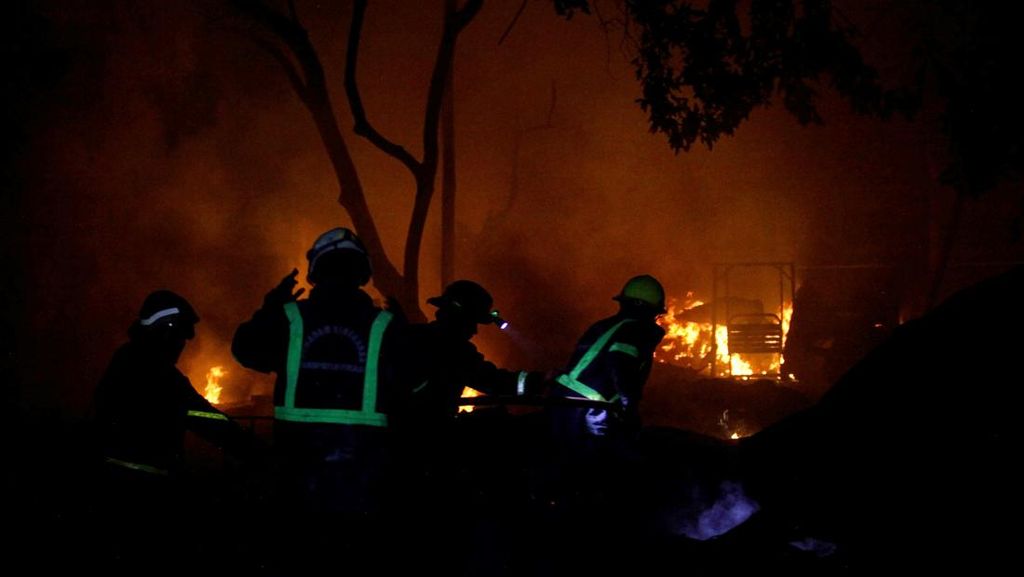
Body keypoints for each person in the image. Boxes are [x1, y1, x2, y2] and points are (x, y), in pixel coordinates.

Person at [231, 226, 401, 571]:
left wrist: (270, 307)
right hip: (363, 483)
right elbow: (412, 382)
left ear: (316, 270)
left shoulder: (289, 318)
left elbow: (245, 350)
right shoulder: (385, 326)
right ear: (362, 272)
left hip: (296, 480)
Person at [92, 289, 257, 570]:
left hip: (108, 489)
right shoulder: (159, 374)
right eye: (180, 336)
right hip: (145, 499)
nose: (182, 345)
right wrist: (254, 450)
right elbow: (204, 418)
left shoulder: (125, 358)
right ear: (165, 331)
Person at [542, 274, 667, 573]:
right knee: (596, 472)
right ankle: (593, 549)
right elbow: (620, 365)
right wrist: (627, 405)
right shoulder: (637, 330)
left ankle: (555, 537)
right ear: (652, 311)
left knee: (564, 471)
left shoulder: (604, 326)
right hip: (587, 410)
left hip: (563, 404)